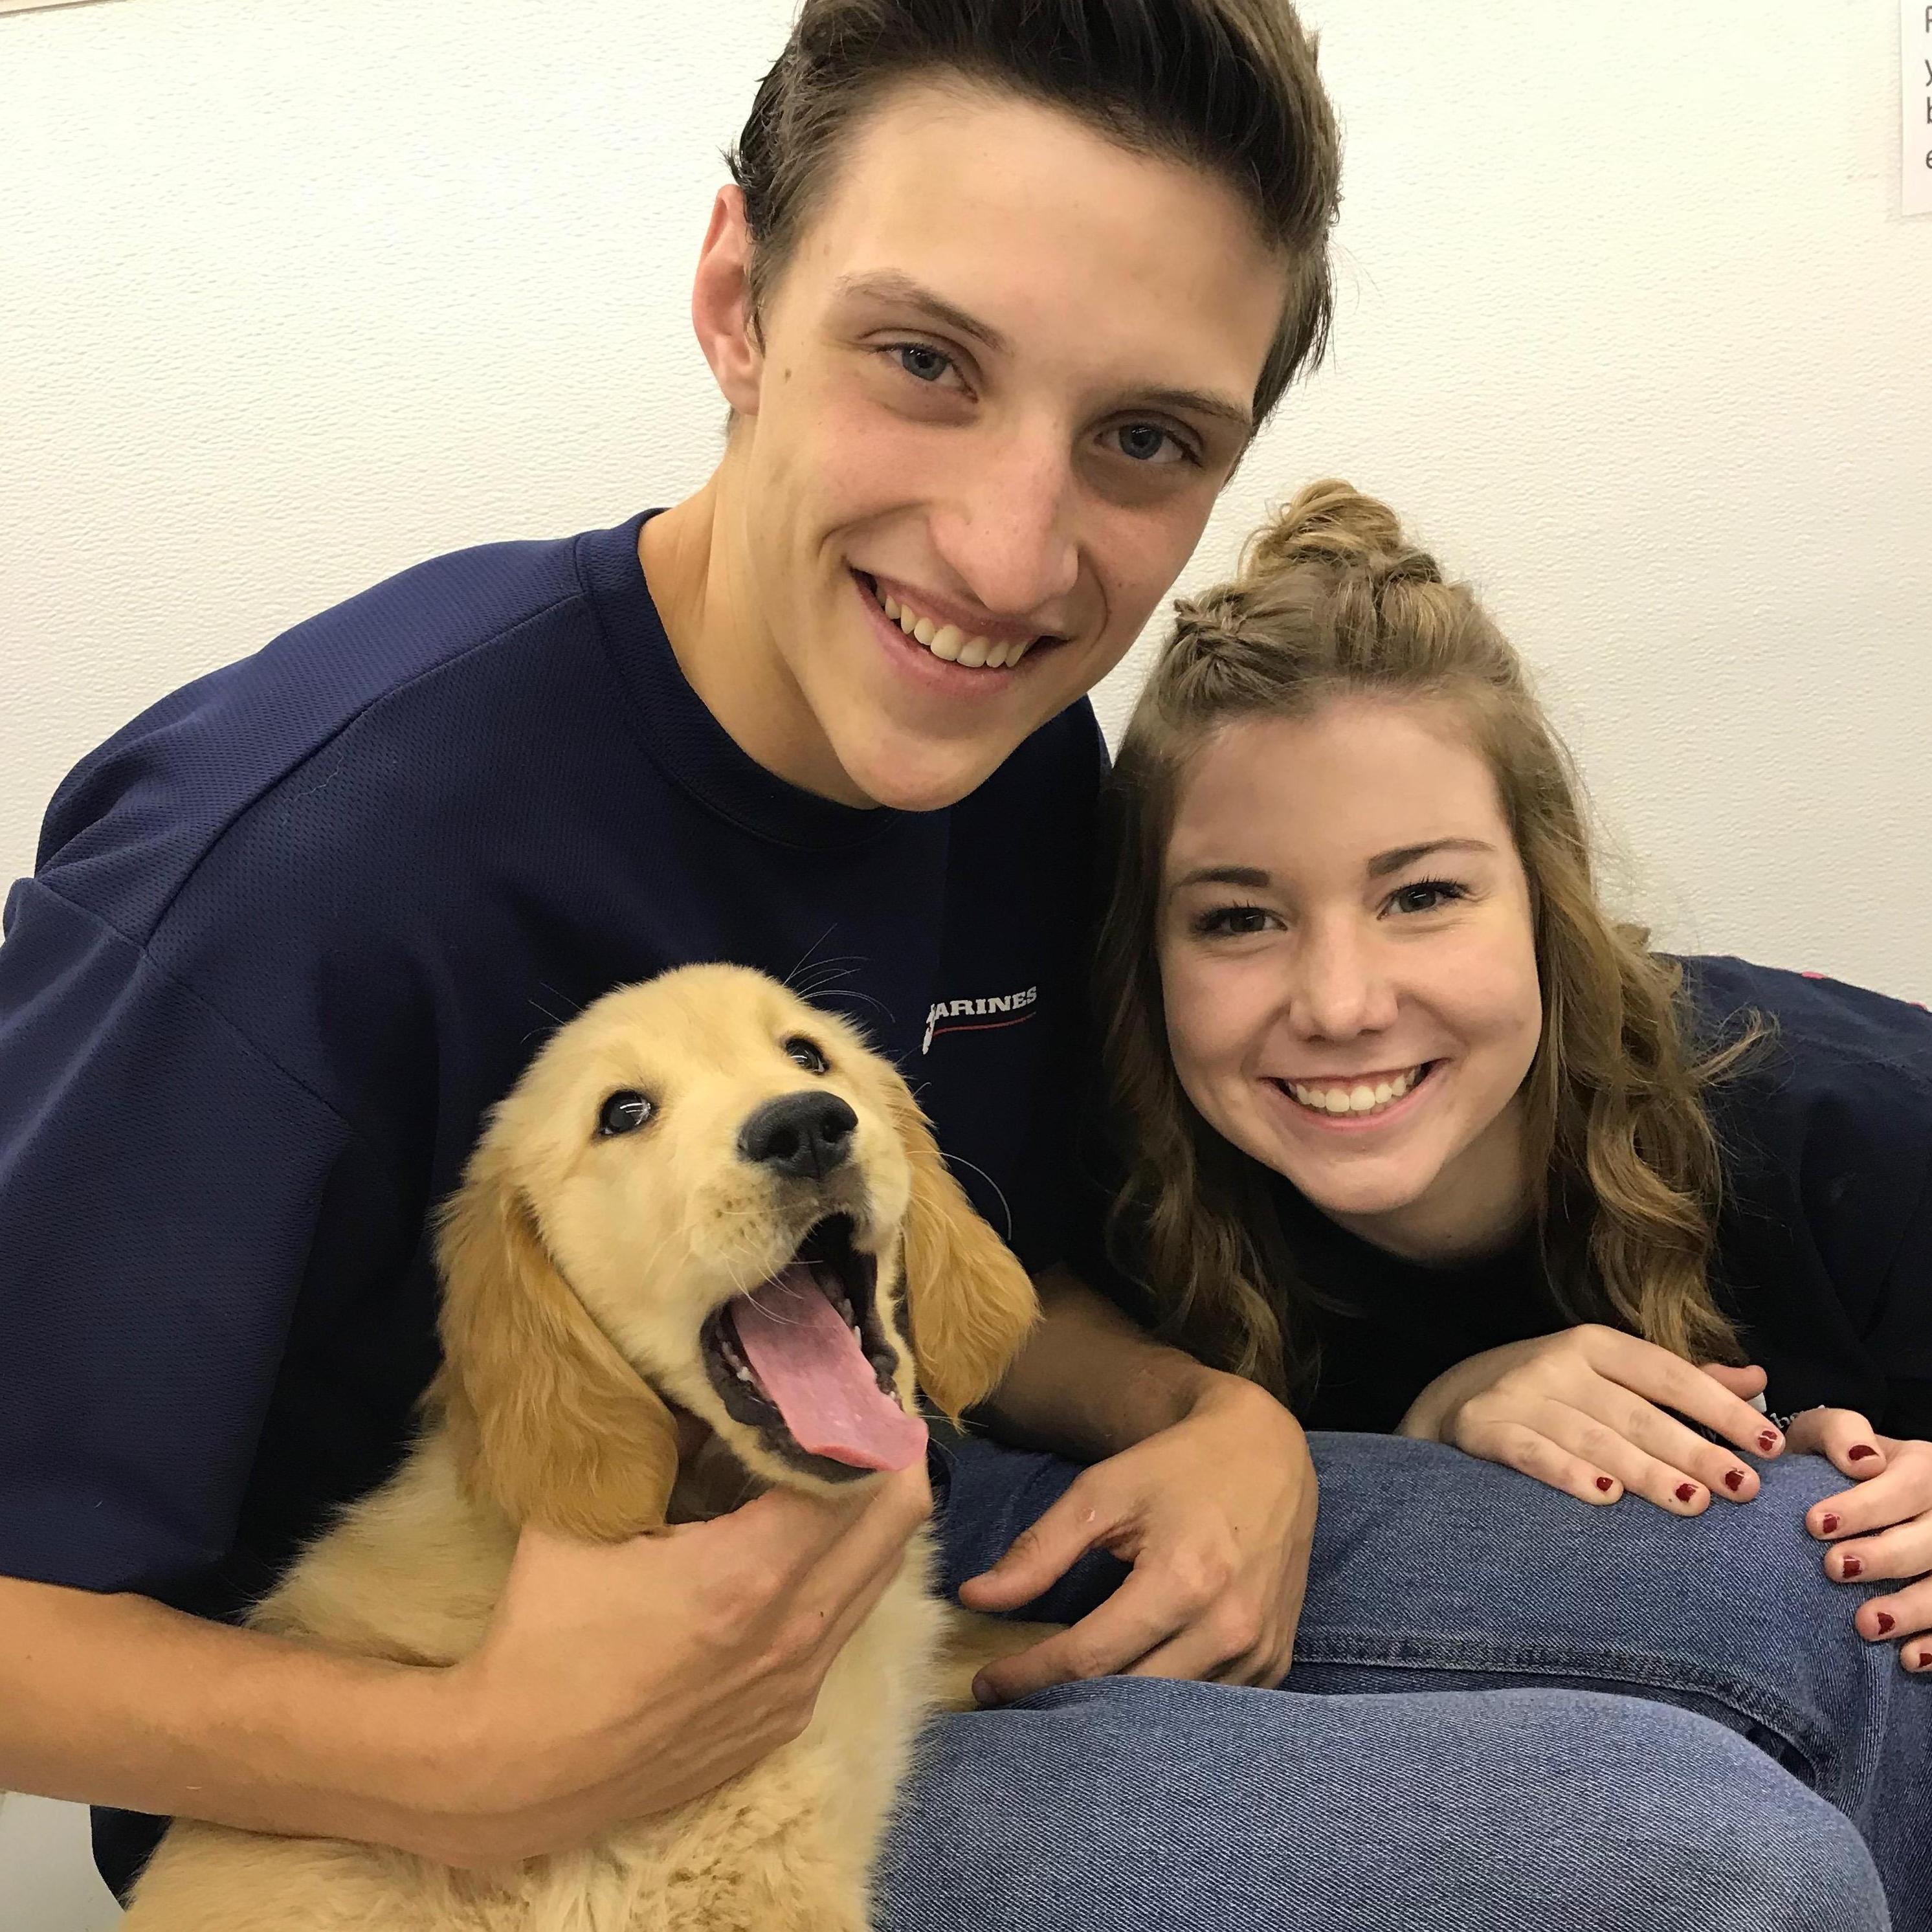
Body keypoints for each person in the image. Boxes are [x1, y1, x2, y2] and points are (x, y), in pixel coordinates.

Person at [0, 4, 1892, 1927]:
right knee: (1720, 1871)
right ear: (737, 300)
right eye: (924, 362)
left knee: (1824, 1605)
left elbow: (965, 1269)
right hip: (426, 1785)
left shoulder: (1006, 756)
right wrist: (479, 1758)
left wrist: (1198, 1414)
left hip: (900, 1540)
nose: (1006, 558)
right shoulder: (289, 867)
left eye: (1142, 439)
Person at [1048, 474, 1926, 1917]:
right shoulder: (1123, 1220)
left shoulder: (1847, 1119)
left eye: (1421, 895)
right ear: (1141, 955)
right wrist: (1434, 1423)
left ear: (1543, 889)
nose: (1339, 1002)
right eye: (1238, 917)